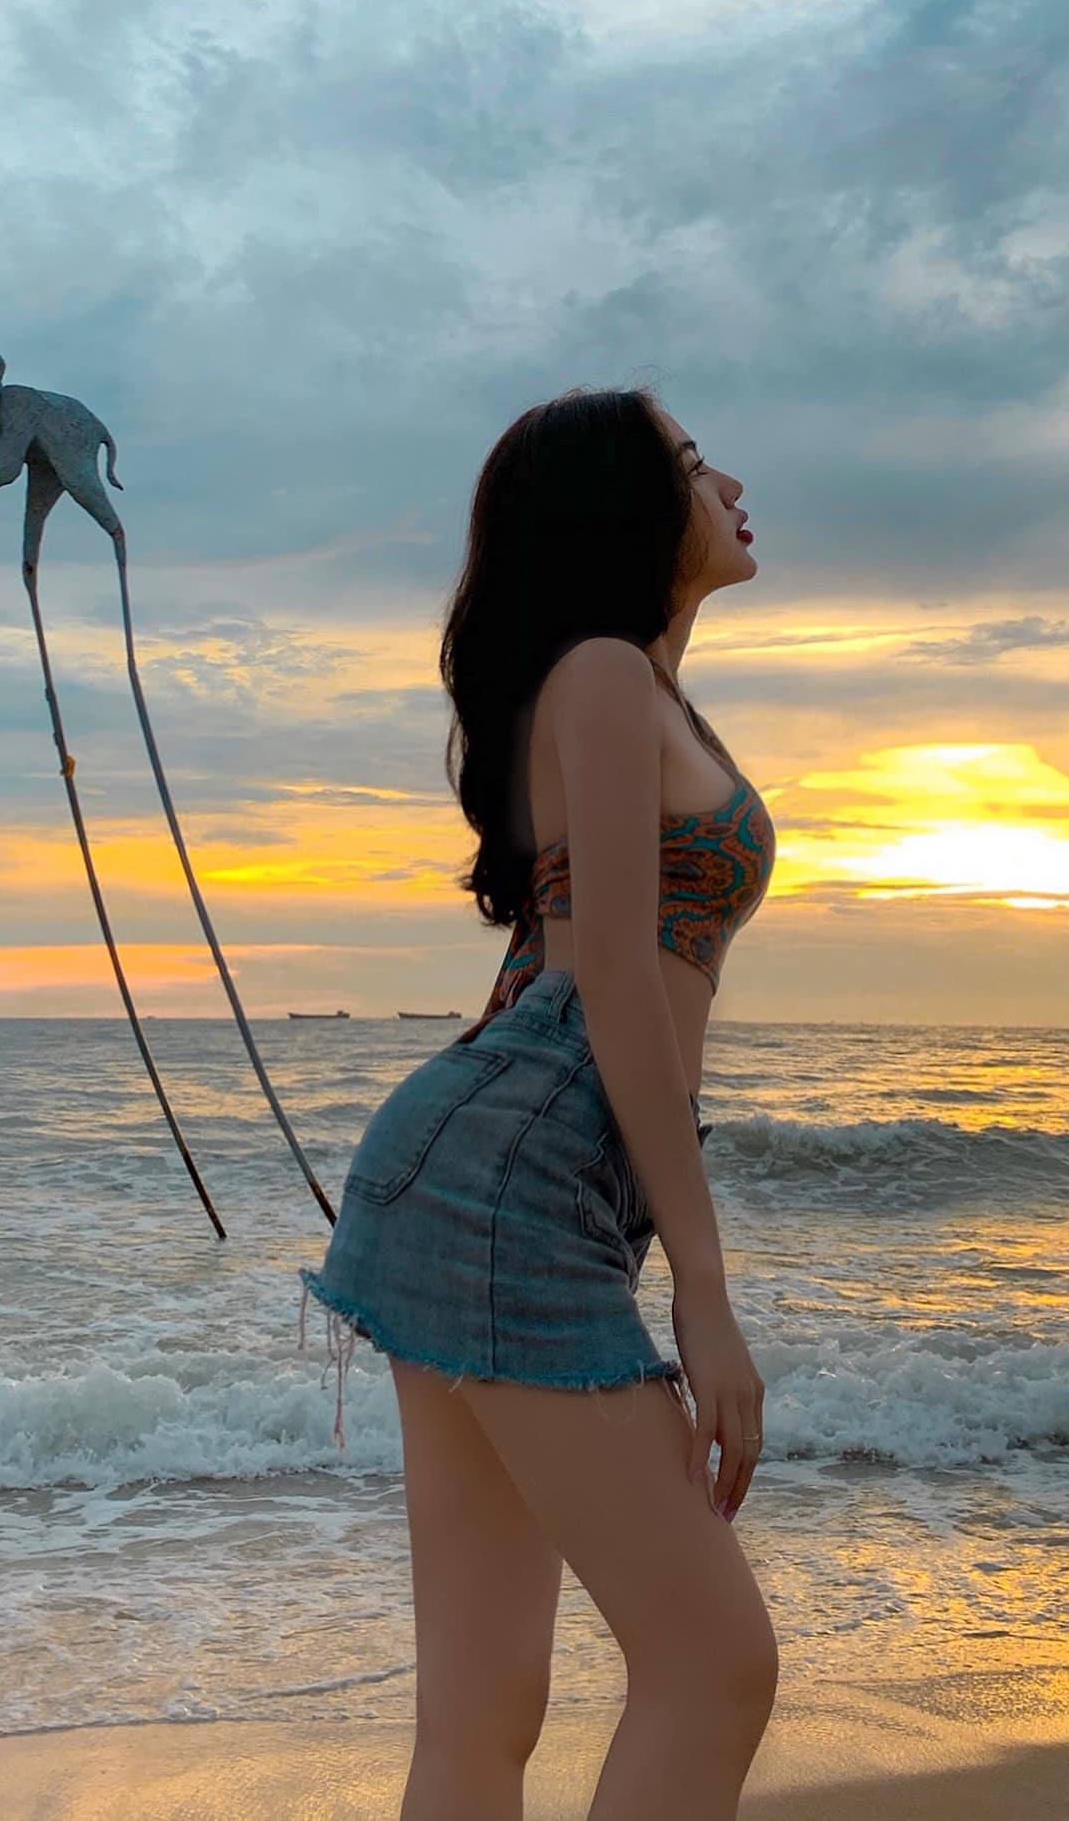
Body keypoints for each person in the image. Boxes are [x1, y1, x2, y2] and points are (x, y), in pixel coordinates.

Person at [298, 386, 777, 1819]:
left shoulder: (631, 682)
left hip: (491, 1166)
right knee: (716, 1665)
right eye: (694, 465)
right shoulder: (604, 678)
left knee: (484, 1707)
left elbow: (560, 957)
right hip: (521, 1175)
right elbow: (617, 980)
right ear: (628, 508)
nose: (731, 480)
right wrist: (704, 1285)